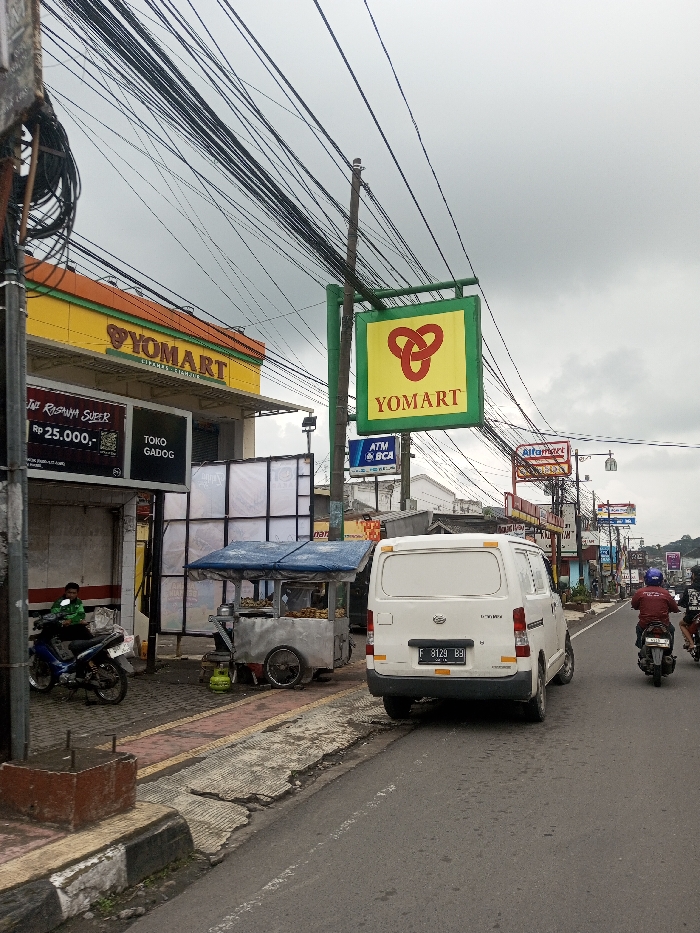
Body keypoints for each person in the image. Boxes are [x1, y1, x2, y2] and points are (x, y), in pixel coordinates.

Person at [631, 568, 679, 653]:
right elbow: (674, 608)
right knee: (671, 630)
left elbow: (634, 605)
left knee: (638, 628)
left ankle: (641, 647)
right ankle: (669, 650)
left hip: (645, 624)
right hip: (663, 623)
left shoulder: (640, 592)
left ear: (646, 579)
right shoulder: (665, 593)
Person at [678, 566, 700, 653]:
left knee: (681, 624)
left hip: (692, 615)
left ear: (693, 575)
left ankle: (690, 643)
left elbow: (683, 602)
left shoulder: (689, 588)